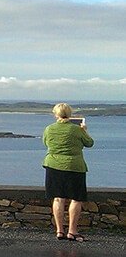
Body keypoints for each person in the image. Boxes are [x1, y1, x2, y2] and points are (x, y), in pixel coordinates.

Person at [43, 103, 94, 242]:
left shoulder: (49, 129)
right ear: (70, 114)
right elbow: (89, 143)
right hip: (74, 166)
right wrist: (84, 131)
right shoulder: (76, 130)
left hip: (53, 165)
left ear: (56, 114)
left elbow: (45, 143)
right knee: (76, 198)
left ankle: (59, 230)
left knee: (58, 198)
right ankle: (72, 231)